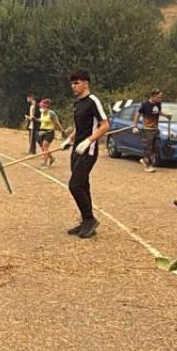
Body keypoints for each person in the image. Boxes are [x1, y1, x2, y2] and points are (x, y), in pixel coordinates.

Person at [63, 71, 111, 238]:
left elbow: (105, 125)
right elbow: (79, 126)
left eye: (76, 83)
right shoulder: (77, 103)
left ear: (86, 83)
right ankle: (86, 221)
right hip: (77, 149)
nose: (73, 86)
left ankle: (90, 220)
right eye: (72, 83)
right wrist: (69, 140)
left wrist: (88, 141)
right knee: (83, 185)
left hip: (88, 150)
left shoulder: (93, 101)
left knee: (74, 185)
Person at [135, 89, 165, 172]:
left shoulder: (158, 104)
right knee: (148, 148)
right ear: (153, 96)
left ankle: (145, 160)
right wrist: (135, 126)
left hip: (155, 129)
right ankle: (148, 165)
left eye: (161, 97)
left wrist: (166, 115)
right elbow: (138, 114)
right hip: (147, 129)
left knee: (156, 148)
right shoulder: (145, 105)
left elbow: (158, 112)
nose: (160, 98)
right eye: (159, 97)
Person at [37, 98, 61, 167]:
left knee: (45, 145)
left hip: (49, 131)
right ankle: (52, 158)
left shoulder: (51, 113)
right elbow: (41, 120)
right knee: (43, 147)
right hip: (42, 131)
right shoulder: (42, 113)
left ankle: (45, 162)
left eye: (42, 107)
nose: (41, 108)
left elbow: (57, 122)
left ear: (46, 106)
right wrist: (34, 119)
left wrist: (62, 130)